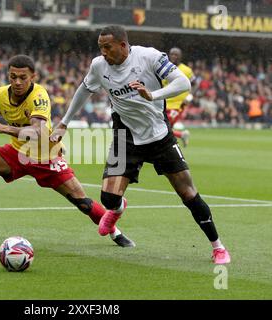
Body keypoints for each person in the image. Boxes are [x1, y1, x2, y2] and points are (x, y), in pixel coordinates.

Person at [50, 26, 230, 264]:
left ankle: (218, 247)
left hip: (159, 135)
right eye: (100, 48)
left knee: (187, 193)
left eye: (108, 47)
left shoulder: (149, 57)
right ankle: (117, 209)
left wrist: (153, 96)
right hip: (125, 135)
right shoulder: (98, 66)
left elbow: (183, 82)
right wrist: (64, 122)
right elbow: (85, 90)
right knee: (108, 198)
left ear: (123, 45)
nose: (103, 53)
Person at [0, 54, 135, 248]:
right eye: (13, 77)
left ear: (33, 76)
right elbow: (0, 107)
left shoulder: (39, 96)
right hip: (17, 153)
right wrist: (0, 112)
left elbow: (38, 132)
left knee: (83, 203)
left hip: (47, 157)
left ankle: (116, 233)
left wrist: (5, 128)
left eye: (23, 77)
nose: (17, 82)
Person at [163, 47, 195, 147]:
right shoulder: (164, 69)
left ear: (180, 57)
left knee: (164, 128)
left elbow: (194, 84)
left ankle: (170, 146)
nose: (173, 56)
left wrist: (190, 95)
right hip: (164, 103)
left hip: (178, 105)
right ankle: (181, 135)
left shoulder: (187, 70)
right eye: (172, 54)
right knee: (164, 128)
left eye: (176, 55)